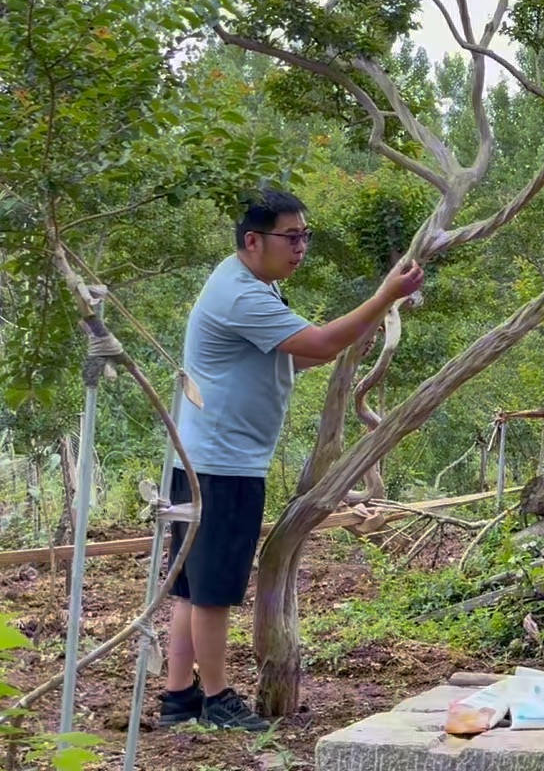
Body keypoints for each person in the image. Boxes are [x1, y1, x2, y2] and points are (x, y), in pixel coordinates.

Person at [156, 188, 424, 730]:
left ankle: (178, 698)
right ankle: (215, 699)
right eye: (292, 236)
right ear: (253, 240)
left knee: (190, 584)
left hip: (202, 458)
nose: (301, 247)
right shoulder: (242, 295)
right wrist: (382, 297)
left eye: (306, 236)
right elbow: (320, 345)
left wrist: (361, 327)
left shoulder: (254, 284)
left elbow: (297, 356)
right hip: (221, 464)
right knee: (211, 591)